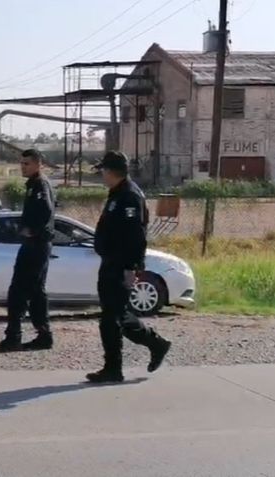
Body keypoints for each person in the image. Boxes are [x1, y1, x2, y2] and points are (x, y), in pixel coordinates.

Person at [87, 151, 172, 383]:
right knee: (117, 316)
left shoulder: (129, 196)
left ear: (110, 171)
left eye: (103, 170)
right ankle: (156, 344)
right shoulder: (117, 194)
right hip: (110, 263)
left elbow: (136, 236)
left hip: (120, 265)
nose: (101, 174)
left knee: (111, 318)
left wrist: (133, 268)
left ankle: (114, 368)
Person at [0, 149, 55, 352]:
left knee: (18, 291)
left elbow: (45, 210)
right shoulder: (34, 185)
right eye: (22, 163)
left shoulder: (39, 185)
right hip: (36, 245)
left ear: (37, 164)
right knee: (36, 292)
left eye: (27, 163)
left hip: (36, 245)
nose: (22, 167)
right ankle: (43, 335)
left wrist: (32, 231)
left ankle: (13, 337)